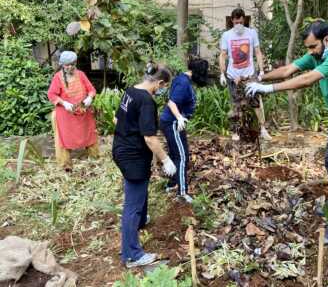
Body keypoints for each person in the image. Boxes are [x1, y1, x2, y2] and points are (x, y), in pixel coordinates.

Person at [245, 20, 328, 245]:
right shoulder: (317, 54)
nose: (310, 51)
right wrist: (260, 78)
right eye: (308, 48)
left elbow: (305, 80)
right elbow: (289, 70)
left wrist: (268, 89)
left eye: (313, 47)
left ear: (327, 40)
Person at [112, 63, 177, 268]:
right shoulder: (147, 101)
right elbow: (150, 138)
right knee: (132, 203)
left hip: (121, 148)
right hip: (133, 156)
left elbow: (117, 119)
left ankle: (140, 221)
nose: (162, 90)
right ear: (159, 83)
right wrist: (166, 160)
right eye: (163, 86)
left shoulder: (131, 91)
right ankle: (131, 255)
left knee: (140, 190)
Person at [160, 58, 209, 203]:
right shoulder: (183, 83)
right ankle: (181, 193)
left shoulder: (182, 78)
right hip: (173, 123)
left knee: (177, 153)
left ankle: (171, 184)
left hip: (172, 122)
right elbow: (172, 102)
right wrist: (179, 117)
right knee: (182, 157)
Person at [219, 8, 272, 141]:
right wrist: (222, 73)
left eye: (241, 22)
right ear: (232, 21)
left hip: (249, 74)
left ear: (244, 20)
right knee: (236, 104)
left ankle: (263, 129)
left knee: (256, 103)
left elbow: (258, 52)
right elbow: (223, 55)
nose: (239, 25)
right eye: (236, 22)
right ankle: (236, 131)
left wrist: (261, 70)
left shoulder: (251, 33)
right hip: (233, 76)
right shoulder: (227, 35)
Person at [47, 51, 99, 171]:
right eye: (67, 65)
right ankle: (66, 165)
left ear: (75, 63)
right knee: (64, 138)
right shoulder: (57, 78)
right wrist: (64, 103)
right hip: (66, 114)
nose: (70, 67)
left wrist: (90, 97)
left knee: (90, 135)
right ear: (62, 65)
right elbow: (51, 94)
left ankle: (95, 159)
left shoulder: (81, 74)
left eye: (72, 64)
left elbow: (91, 89)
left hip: (83, 111)